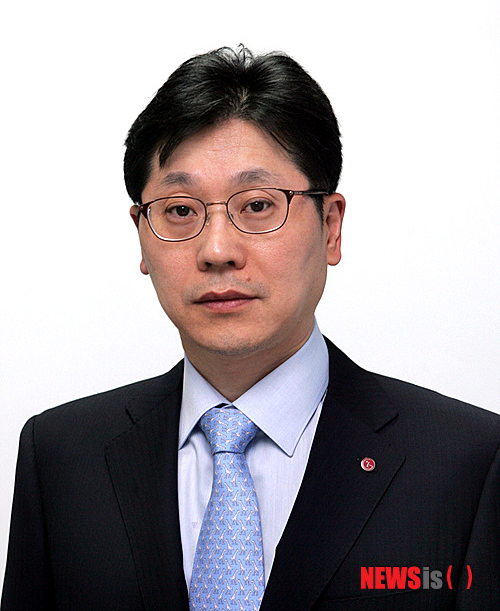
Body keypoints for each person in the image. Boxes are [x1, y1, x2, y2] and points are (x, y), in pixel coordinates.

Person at [2, 46, 499, 611]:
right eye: (180, 210)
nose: (217, 250)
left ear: (331, 228)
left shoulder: (468, 464)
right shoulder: (61, 457)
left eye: (258, 205)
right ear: (141, 234)